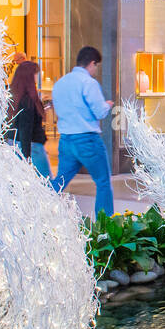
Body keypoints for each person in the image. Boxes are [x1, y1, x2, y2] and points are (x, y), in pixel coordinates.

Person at [50, 46, 115, 219]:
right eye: (96, 66)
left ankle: (37, 208)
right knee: (102, 182)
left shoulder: (60, 83)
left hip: (66, 140)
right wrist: (107, 105)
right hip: (87, 140)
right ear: (92, 63)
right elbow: (100, 112)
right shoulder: (88, 83)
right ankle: (106, 225)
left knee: (60, 181)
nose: (96, 70)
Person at [5, 60, 50, 179]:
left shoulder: (13, 96)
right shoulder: (28, 100)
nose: (38, 77)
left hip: (13, 143)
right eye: (36, 74)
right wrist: (27, 156)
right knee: (46, 182)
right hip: (31, 145)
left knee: (15, 182)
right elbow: (26, 127)